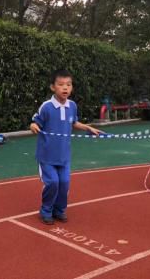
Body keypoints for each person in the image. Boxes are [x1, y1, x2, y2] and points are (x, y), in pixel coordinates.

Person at [30, 69, 103, 225]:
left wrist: (88, 128)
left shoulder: (72, 106)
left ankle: (59, 210)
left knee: (64, 184)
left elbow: (73, 123)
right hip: (47, 156)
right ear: (52, 87)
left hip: (64, 156)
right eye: (61, 84)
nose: (65, 88)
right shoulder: (47, 107)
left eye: (68, 85)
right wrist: (33, 125)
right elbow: (36, 121)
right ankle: (46, 210)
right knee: (53, 183)